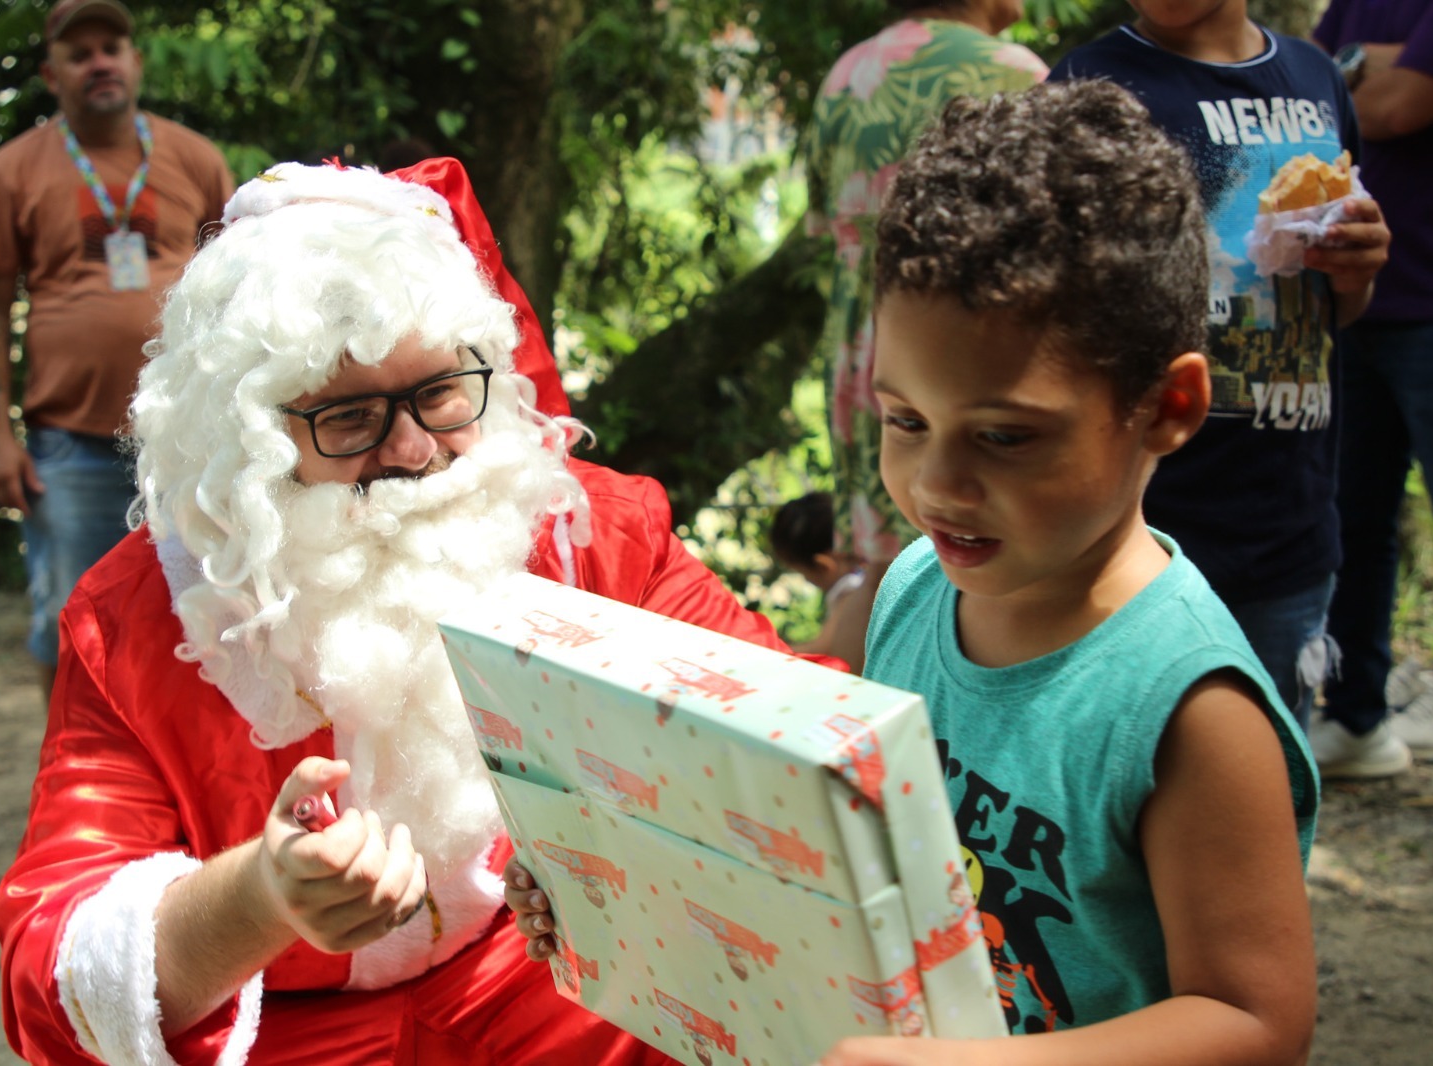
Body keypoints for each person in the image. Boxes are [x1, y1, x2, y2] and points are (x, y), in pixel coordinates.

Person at [518, 81, 1322, 1061]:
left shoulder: (1189, 710)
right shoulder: (906, 589)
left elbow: (1258, 1021)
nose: (938, 483)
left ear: (1166, 407)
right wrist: (614, 885)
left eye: (1003, 435)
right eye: (904, 420)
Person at [0, 158, 800, 1065]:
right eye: (349, 416)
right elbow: (49, 970)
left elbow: (790, 727)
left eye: (437, 393)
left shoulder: (592, 533)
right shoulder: (133, 619)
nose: (413, 450)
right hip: (279, 1034)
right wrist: (260, 897)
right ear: (243, 444)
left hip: (558, 986)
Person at [1048, 0, 1391, 733]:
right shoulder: (1088, 84)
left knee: (1268, 782)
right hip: (1135, 531)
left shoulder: (1315, 78)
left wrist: (1356, 272)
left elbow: (1341, 308)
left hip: (1288, 527)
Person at [0, 0, 234, 703]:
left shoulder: (195, 158)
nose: (99, 62)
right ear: (53, 75)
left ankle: (198, 800)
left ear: (135, 60)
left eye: (110, 46)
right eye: (79, 54)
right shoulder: (16, 169)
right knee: (71, 629)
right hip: (73, 450)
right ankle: (74, 793)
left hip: (190, 447)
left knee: (210, 624)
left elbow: (240, 283)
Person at [804, 0, 1048, 673]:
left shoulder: (849, 74)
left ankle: (826, 725)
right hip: (966, 350)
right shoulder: (1012, 72)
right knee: (976, 561)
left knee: (884, 560)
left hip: (866, 346)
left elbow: (827, 226)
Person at [1309, 0, 1433, 861]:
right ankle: (1354, 720)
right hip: (1353, 308)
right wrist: (1367, 56)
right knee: (1350, 524)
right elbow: (1314, 96)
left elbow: (1389, 107)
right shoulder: (1357, 3)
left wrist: (1362, 70)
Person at [769, 491, 867, 662]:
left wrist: (763, 654)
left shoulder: (852, 589)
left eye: (803, 573)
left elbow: (825, 651)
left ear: (824, 565)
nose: (807, 580)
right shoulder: (867, 574)